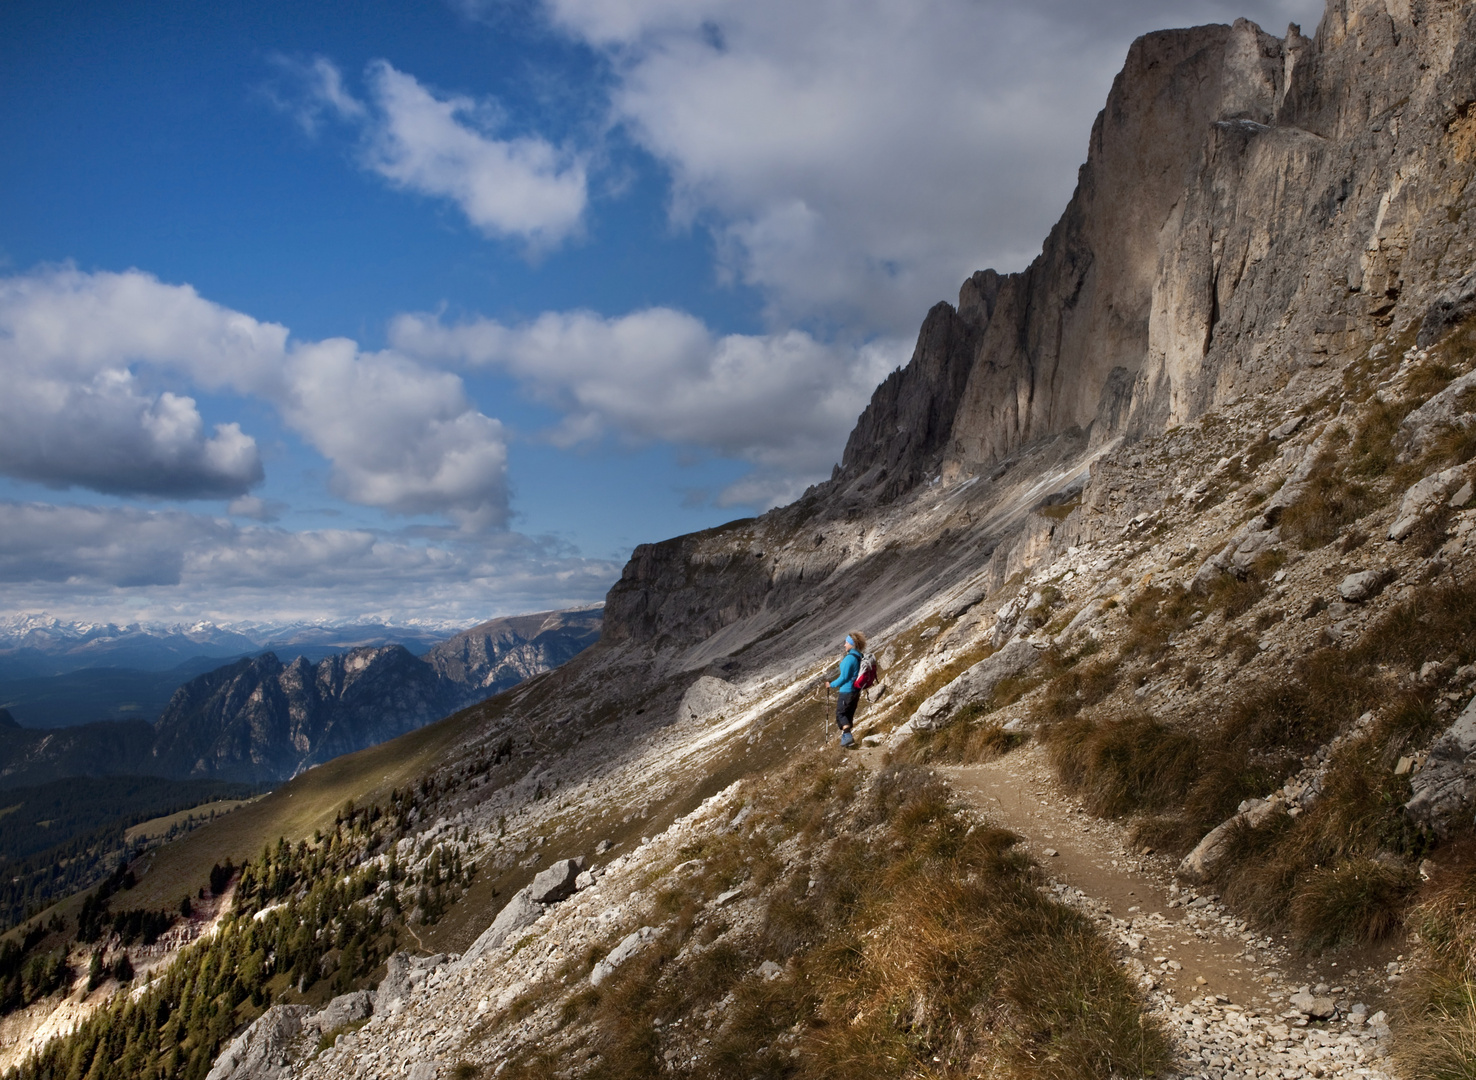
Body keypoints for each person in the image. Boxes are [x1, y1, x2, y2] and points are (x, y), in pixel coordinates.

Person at [828, 631, 867, 748]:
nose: (844, 645)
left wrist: (831, 684)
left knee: (841, 714)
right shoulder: (859, 656)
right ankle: (847, 741)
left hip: (847, 691)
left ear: (852, 643)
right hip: (855, 691)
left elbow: (844, 677)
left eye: (846, 642)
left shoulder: (849, 658)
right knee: (848, 715)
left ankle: (847, 738)